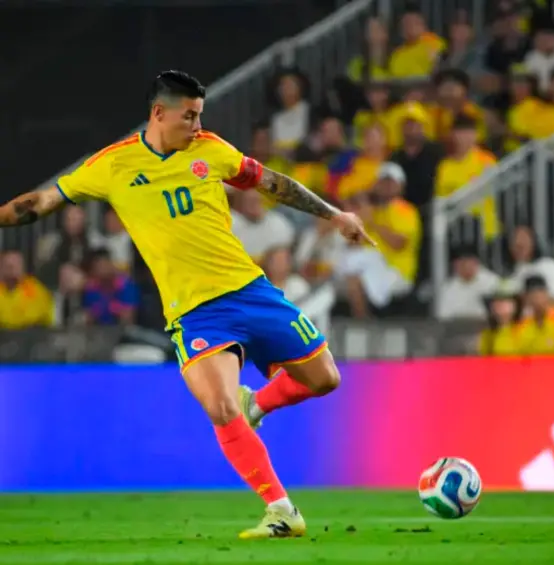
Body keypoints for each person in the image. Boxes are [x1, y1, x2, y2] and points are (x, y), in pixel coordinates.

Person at [0, 70, 372, 539]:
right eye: (189, 116)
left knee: (325, 379)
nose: (197, 125)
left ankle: (256, 404)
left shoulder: (211, 150)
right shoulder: (111, 166)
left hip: (249, 290)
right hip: (196, 312)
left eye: (200, 115)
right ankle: (281, 510)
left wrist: (334, 214)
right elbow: (40, 202)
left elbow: (272, 183)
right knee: (219, 405)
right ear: (159, 113)